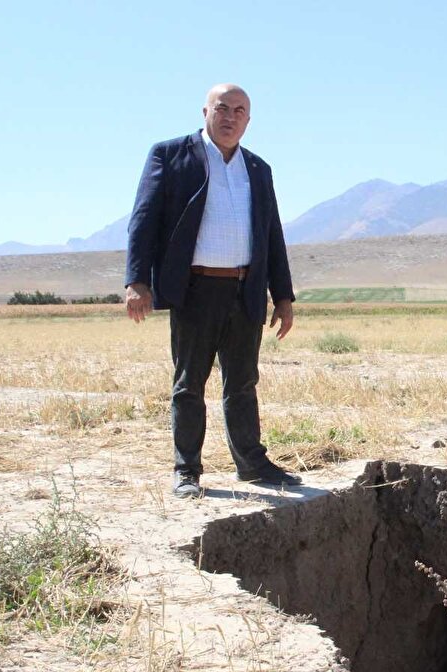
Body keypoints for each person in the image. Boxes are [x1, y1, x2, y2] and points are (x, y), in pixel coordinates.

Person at [125, 83, 299, 497]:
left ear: (248, 120)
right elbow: (143, 219)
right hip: (195, 289)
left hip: (246, 291)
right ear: (205, 110)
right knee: (189, 384)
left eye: (240, 111)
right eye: (222, 108)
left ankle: (252, 464)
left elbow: (271, 234)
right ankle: (187, 471)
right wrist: (136, 281)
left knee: (242, 383)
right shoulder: (170, 155)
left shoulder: (258, 169)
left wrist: (284, 296)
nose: (230, 117)